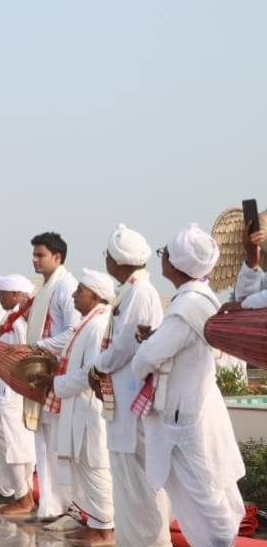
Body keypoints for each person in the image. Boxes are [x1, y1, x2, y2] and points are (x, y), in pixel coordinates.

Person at [133, 224, 245, 546]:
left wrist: (145, 348)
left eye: (164, 254)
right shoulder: (203, 299)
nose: (161, 259)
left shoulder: (184, 308)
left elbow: (146, 359)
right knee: (209, 487)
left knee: (204, 492)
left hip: (185, 415)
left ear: (177, 262)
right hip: (198, 405)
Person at [92, 224, 169, 546]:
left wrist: (97, 367)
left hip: (133, 400)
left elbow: (124, 345)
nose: (106, 262)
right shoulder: (132, 290)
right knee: (127, 481)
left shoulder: (139, 292)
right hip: (124, 400)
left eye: (107, 256)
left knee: (139, 483)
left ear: (118, 261)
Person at [44, 269, 115, 544]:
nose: (74, 295)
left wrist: (56, 382)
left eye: (80, 291)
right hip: (78, 407)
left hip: (90, 410)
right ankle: (95, 521)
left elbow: (91, 371)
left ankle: (105, 528)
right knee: (84, 466)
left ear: (95, 296)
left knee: (95, 466)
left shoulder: (98, 325)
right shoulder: (88, 322)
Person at [26, 231, 79, 526]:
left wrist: (39, 347)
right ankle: (50, 504)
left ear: (57, 257)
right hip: (41, 376)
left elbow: (73, 332)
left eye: (40, 255)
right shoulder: (46, 287)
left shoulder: (65, 287)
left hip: (58, 375)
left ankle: (68, 507)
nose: (35, 260)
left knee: (59, 445)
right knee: (44, 442)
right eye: (34, 255)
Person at [0, 270, 39, 518]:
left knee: (16, 444)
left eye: (3, 293)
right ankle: (21, 493)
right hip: (4, 388)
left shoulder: (19, 322)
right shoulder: (10, 318)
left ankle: (24, 497)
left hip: (13, 390)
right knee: (11, 443)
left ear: (16, 295)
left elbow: (24, 355)